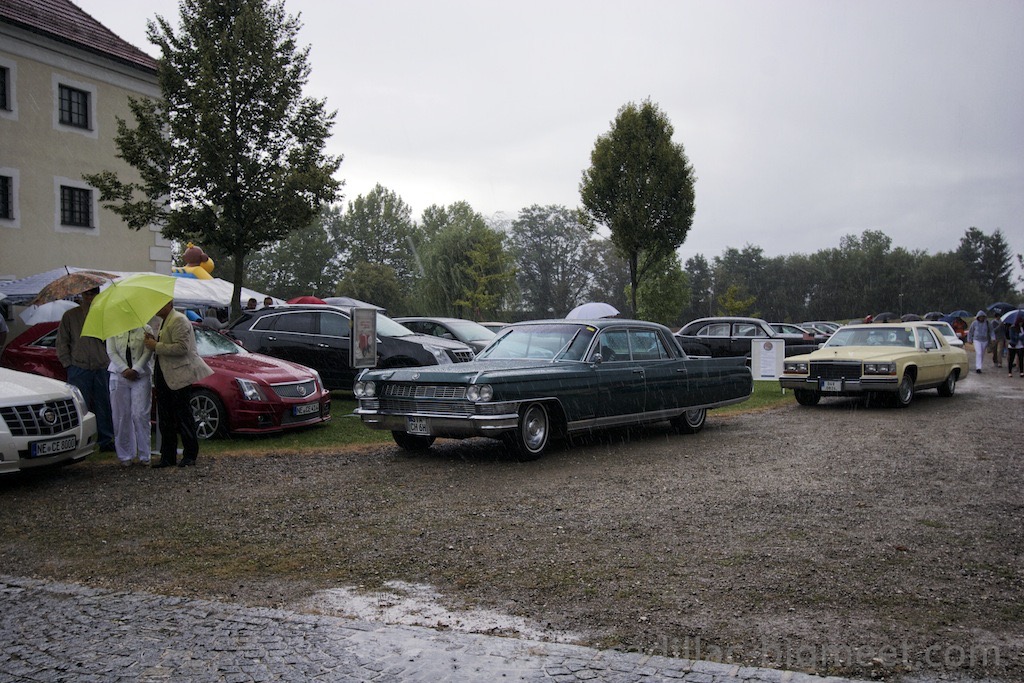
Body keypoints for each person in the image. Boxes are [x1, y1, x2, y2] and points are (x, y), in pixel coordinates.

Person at [144, 301, 214, 468]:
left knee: (183, 416)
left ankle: (190, 454)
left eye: (159, 303)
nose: (155, 307)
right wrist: (154, 341)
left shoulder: (179, 320)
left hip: (179, 375)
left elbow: (182, 348)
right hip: (164, 374)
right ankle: (167, 456)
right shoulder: (162, 321)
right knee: (165, 418)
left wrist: (156, 346)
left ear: (168, 304)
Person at [56, 287, 115, 450]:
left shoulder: (105, 314)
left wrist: (109, 360)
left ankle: (106, 440)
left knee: (104, 405)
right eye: (87, 293)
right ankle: (80, 440)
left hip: (101, 366)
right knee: (79, 407)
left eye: (94, 293)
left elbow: (112, 339)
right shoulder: (71, 316)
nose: (90, 297)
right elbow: (62, 342)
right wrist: (68, 364)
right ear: (82, 295)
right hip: (78, 366)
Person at [106, 325, 154, 466]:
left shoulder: (146, 329)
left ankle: (145, 454)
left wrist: (136, 369)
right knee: (121, 415)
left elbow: (148, 352)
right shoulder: (112, 329)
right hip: (118, 375)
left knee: (139, 414)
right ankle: (125, 454)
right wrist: (124, 369)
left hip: (141, 375)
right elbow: (111, 351)